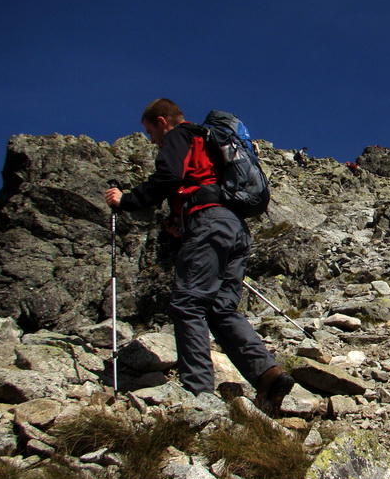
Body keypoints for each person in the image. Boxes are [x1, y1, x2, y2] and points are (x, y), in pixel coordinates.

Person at [104, 98, 294, 414]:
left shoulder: (179, 135)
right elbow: (202, 185)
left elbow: (168, 178)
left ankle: (198, 394)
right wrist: (181, 220)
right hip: (234, 228)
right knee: (221, 309)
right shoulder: (209, 141)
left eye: (151, 132)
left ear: (162, 121)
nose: (153, 140)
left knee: (188, 303)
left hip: (209, 223)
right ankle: (267, 374)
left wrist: (126, 200)